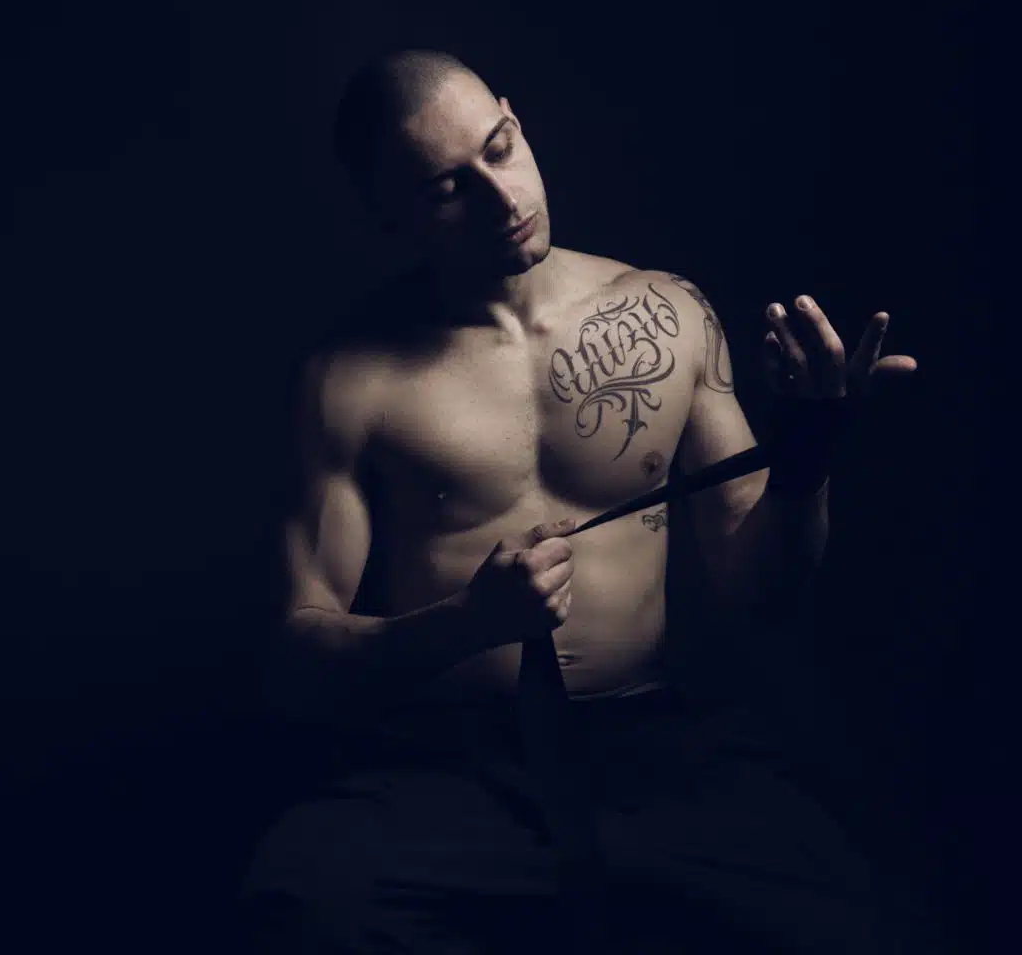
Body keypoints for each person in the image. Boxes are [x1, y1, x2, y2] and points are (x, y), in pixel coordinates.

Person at [235, 49, 931, 953]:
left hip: (655, 749)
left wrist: (805, 469)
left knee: (865, 923)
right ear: (389, 216)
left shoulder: (669, 313)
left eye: (500, 148)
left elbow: (759, 596)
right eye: (448, 189)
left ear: (517, 120)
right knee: (298, 910)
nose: (501, 198)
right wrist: (465, 623)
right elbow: (294, 665)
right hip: (446, 762)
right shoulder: (349, 380)